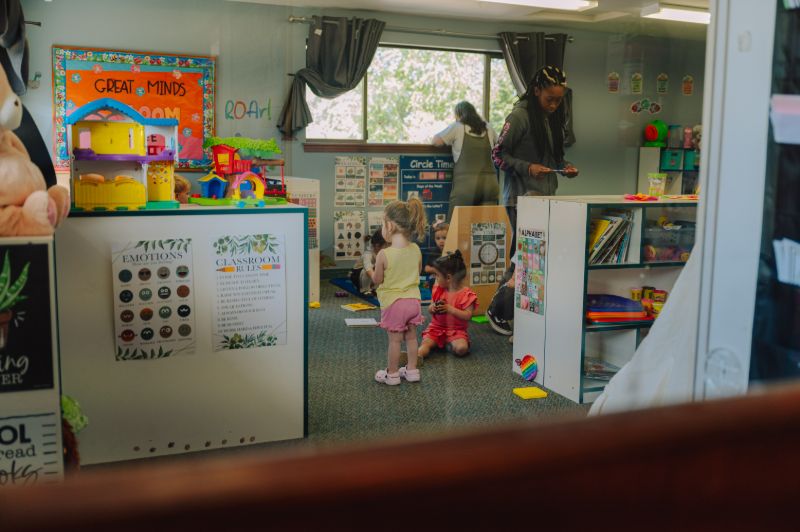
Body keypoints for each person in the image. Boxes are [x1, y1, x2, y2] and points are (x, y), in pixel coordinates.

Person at [488, 65, 579, 336]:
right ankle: (498, 310)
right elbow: (498, 155)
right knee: (525, 260)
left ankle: (508, 309)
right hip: (521, 198)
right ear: (536, 90)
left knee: (526, 259)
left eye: (559, 99)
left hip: (544, 197)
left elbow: (553, 157)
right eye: (549, 98)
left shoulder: (552, 117)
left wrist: (566, 166)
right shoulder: (519, 116)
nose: (554, 104)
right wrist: (528, 167)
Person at [372, 197, 427, 386]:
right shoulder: (416, 249)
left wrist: (371, 270)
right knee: (411, 337)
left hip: (394, 304)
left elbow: (377, 280)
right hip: (414, 302)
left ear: (389, 225)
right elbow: (417, 272)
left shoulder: (383, 254)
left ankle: (392, 374)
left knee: (395, 341)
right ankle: (412, 370)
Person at [433, 101, 499, 220]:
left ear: (459, 114)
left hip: (466, 187)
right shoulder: (488, 127)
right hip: (490, 185)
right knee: (486, 231)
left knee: (456, 228)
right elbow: (499, 144)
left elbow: (436, 141)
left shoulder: (458, 126)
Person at [418, 250, 477, 358]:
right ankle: (417, 356)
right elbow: (430, 308)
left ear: (449, 278)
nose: (436, 278)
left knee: (461, 349)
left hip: (456, 330)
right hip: (436, 328)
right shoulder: (438, 289)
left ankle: (447, 344)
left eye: (437, 275)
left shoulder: (466, 294)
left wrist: (450, 309)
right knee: (425, 344)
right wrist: (433, 308)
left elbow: (468, 315)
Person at [349, 229, 387, 296]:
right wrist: (376, 278)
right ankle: (365, 290)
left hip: (372, 275)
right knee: (368, 271)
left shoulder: (384, 253)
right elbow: (368, 269)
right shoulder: (368, 254)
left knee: (380, 269)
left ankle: (375, 289)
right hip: (357, 274)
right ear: (377, 245)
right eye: (386, 245)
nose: (388, 247)